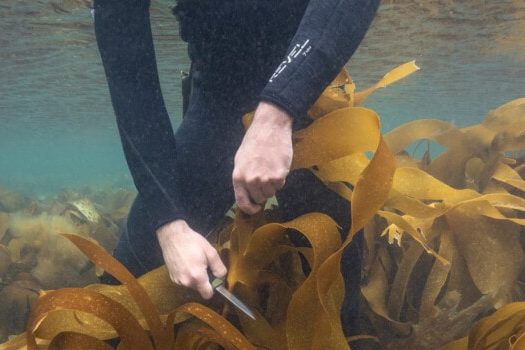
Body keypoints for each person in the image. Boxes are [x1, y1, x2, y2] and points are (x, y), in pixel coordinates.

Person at [93, 0, 380, 302]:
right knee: (125, 284)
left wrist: (277, 112)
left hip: (312, 88)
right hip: (219, 96)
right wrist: (169, 226)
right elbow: (130, 75)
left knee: (333, 298)